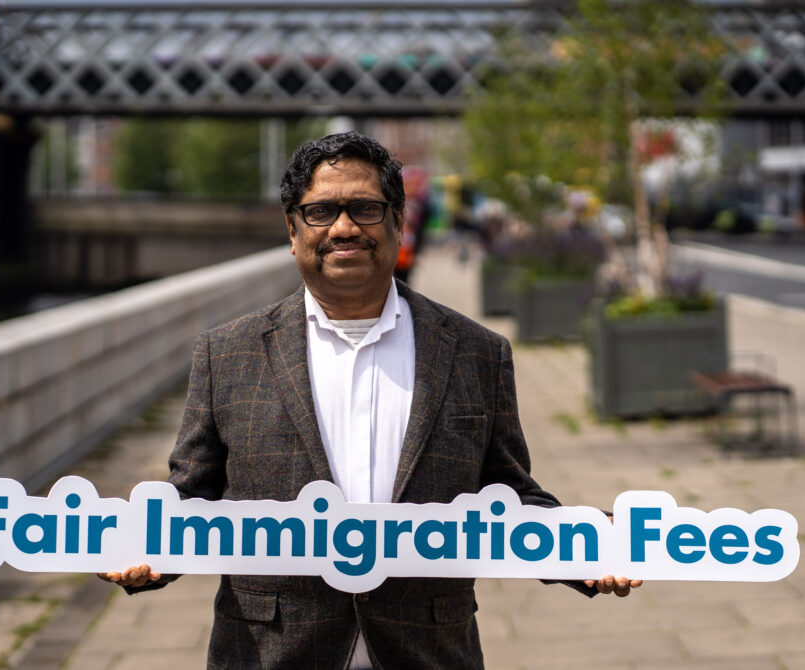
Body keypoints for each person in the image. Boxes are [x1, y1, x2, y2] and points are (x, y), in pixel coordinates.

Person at [100, 132, 640, 669]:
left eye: (365, 208)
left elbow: (510, 497)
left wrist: (588, 549)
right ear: (292, 230)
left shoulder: (478, 352)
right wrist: (144, 551)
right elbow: (190, 498)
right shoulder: (228, 353)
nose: (343, 228)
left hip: (428, 652)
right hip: (270, 654)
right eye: (320, 212)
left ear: (399, 223)